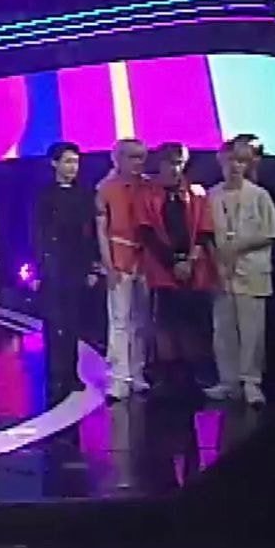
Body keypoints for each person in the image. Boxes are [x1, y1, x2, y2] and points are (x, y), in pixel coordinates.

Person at [136, 142, 218, 401]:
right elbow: (146, 232)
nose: (175, 169)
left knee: (193, 323)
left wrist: (190, 261)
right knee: (165, 323)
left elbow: (204, 231)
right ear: (160, 164)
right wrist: (173, 263)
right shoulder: (147, 194)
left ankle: (196, 375)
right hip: (162, 268)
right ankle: (168, 376)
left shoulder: (196, 193)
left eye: (179, 163)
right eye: (170, 163)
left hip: (193, 269)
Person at [204, 140, 275, 406]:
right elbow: (205, 234)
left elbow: (270, 233)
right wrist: (217, 258)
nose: (234, 166)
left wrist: (238, 246)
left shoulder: (259, 195)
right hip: (221, 271)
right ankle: (228, 381)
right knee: (223, 329)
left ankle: (251, 382)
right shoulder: (212, 196)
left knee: (251, 330)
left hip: (251, 270)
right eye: (230, 161)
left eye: (240, 161)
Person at [32, 142, 98, 407]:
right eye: (68, 161)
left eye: (76, 162)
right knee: (53, 322)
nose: (73, 167)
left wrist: (92, 266)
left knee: (74, 322)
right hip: (52, 266)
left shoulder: (84, 195)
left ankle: (71, 373)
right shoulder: (44, 196)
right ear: (54, 163)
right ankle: (54, 373)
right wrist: (39, 268)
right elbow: (37, 233)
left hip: (76, 266)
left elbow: (90, 234)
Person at [95, 138, 151, 401]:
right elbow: (101, 231)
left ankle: (137, 372)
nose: (138, 163)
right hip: (119, 259)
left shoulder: (149, 186)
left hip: (146, 261)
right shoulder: (106, 188)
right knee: (120, 320)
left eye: (141, 157)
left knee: (142, 320)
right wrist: (109, 265)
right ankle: (119, 378)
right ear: (118, 159)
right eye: (132, 157)